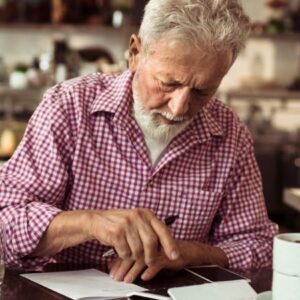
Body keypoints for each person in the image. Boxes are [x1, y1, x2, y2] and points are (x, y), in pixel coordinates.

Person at [0, 0, 277, 283]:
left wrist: (189, 253)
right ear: (135, 53)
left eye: (203, 91)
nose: (179, 108)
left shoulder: (230, 134)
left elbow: (260, 245)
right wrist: (90, 223)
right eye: (168, 84)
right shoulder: (69, 107)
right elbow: (6, 224)